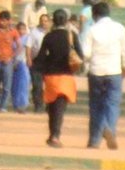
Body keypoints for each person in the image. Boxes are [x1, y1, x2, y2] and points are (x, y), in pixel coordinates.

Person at [84, 1, 125, 149]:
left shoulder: (92, 30)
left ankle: (94, 140)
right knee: (112, 104)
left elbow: (86, 53)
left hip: (96, 71)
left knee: (96, 105)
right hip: (114, 71)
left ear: (94, 15)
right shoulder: (120, 28)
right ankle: (109, 129)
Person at [32, 8, 83, 146]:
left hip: (51, 77)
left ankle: (52, 135)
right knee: (60, 107)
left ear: (53, 21)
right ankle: (55, 136)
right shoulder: (72, 35)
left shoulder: (49, 37)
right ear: (66, 21)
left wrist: (38, 68)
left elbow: (41, 57)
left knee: (52, 107)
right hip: (66, 76)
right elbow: (80, 56)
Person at [25, 12, 51, 113]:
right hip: (37, 61)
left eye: (45, 21)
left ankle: (49, 106)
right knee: (37, 85)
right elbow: (28, 46)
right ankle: (38, 106)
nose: (43, 23)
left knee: (50, 85)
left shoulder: (52, 33)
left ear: (49, 22)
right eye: (42, 21)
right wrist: (28, 58)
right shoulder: (34, 32)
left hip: (49, 61)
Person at [9, 21, 32, 111]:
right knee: (14, 84)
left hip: (22, 62)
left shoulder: (27, 38)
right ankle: (15, 104)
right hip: (13, 63)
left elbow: (28, 50)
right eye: (19, 29)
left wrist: (29, 59)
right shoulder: (14, 39)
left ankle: (23, 104)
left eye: (23, 29)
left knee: (23, 83)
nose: (21, 31)